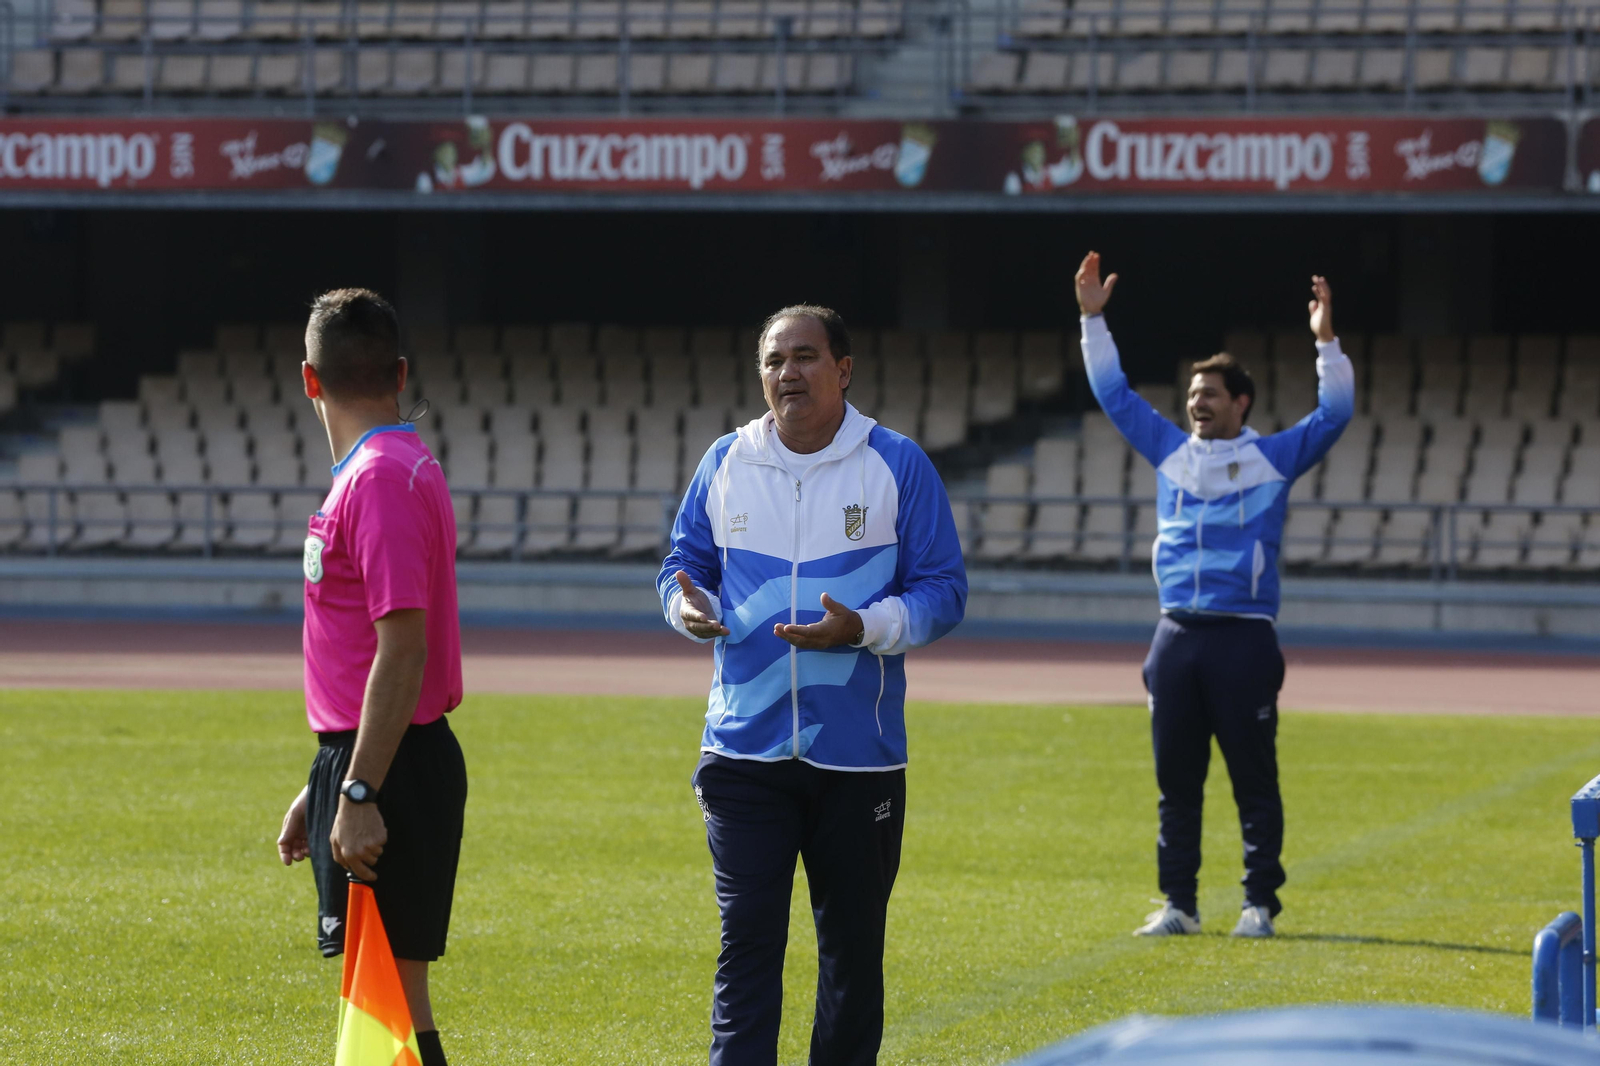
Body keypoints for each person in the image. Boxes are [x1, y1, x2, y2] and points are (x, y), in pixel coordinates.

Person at [659, 305, 968, 1066]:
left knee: (852, 961)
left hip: (858, 761)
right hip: (742, 754)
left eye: (804, 356)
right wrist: (683, 606)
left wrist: (861, 628)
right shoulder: (725, 461)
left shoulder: (897, 465)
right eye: (773, 360)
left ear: (843, 369)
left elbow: (944, 593)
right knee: (747, 946)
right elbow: (680, 566)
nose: (787, 373)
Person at [1072, 252, 1354, 939]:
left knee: (1253, 782)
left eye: (1210, 395)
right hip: (1174, 637)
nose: (1196, 403)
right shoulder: (1171, 451)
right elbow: (1114, 395)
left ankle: (1258, 904)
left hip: (1243, 637)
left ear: (1241, 404)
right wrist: (1092, 320)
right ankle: (1180, 905)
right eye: (1193, 394)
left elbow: (1336, 412)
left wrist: (1326, 343)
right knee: (1177, 785)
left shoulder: (1274, 458)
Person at [274, 288, 466, 1066]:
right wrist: (324, 780)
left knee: (392, 1004)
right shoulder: (389, 466)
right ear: (400, 371)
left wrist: (356, 792)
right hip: (370, 758)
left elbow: (403, 651)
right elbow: (369, 650)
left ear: (309, 380)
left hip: (389, 773)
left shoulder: (379, 478)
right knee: (381, 1002)